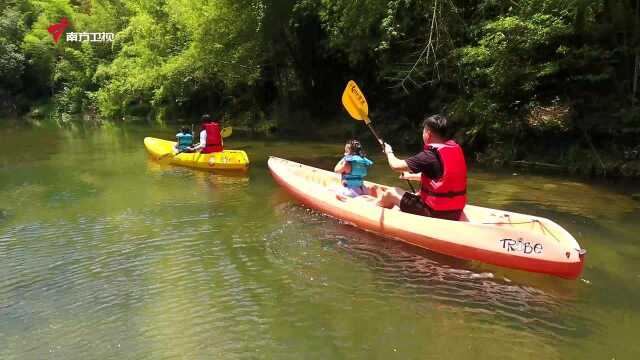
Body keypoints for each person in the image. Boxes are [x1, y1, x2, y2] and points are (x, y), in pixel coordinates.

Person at [377, 114, 467, 221]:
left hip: (433, 213)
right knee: (415, 193)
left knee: (391, 192)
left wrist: (389, 152)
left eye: (423, 131)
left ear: (428, 134)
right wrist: (410, 176)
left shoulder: (428, 156)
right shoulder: (454, 151)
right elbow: (442, 178)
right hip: (455, 211)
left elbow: (395, 166)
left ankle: (373, 210)